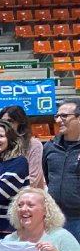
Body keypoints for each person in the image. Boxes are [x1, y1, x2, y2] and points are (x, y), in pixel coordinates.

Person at [44, 98, 80, 240]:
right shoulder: (50, 146)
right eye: (57, 116)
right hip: (55, 218)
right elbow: (48, 177)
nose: (58, 120)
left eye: (64, 116)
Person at [0, 106, 44, 189]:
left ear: (20, 123)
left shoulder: (34, 145)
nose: (5, 124)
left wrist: (7, 192)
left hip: (28, 196)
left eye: (10, 121)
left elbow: (33, 179)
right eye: (2, 121)